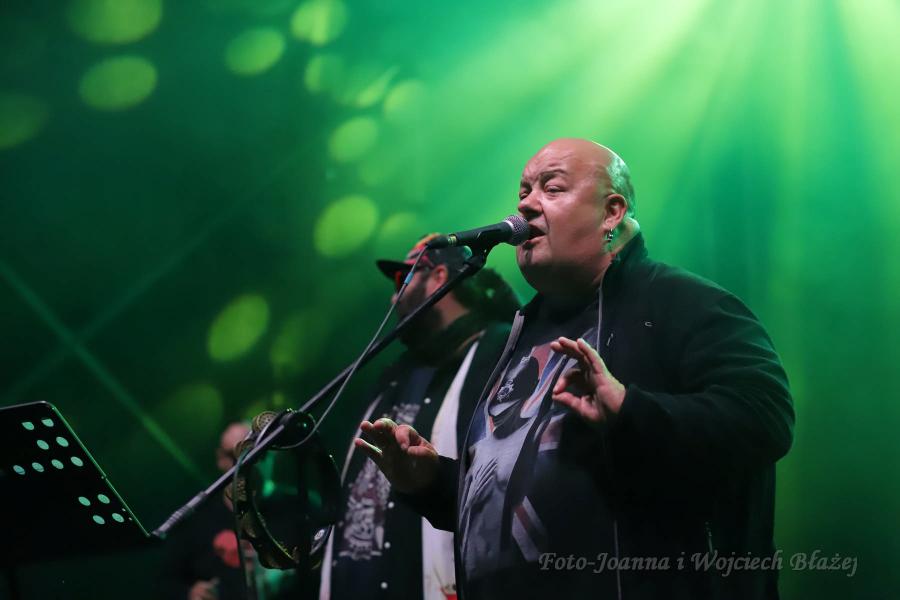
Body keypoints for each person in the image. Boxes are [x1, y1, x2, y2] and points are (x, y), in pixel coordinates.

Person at [355, 139, 795, 599]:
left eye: (552, 188)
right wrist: (431, 483)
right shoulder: (518, 338)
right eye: (523, 191)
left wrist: (629, 410)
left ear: (611, 212)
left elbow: (766, 418)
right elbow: (519, 502)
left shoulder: (682, 303)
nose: (526, 204)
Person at [318, 235, 521, 600]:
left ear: (438, 276)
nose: (393, 296)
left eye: (403, 278)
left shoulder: (499, 349)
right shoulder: (393, 373)